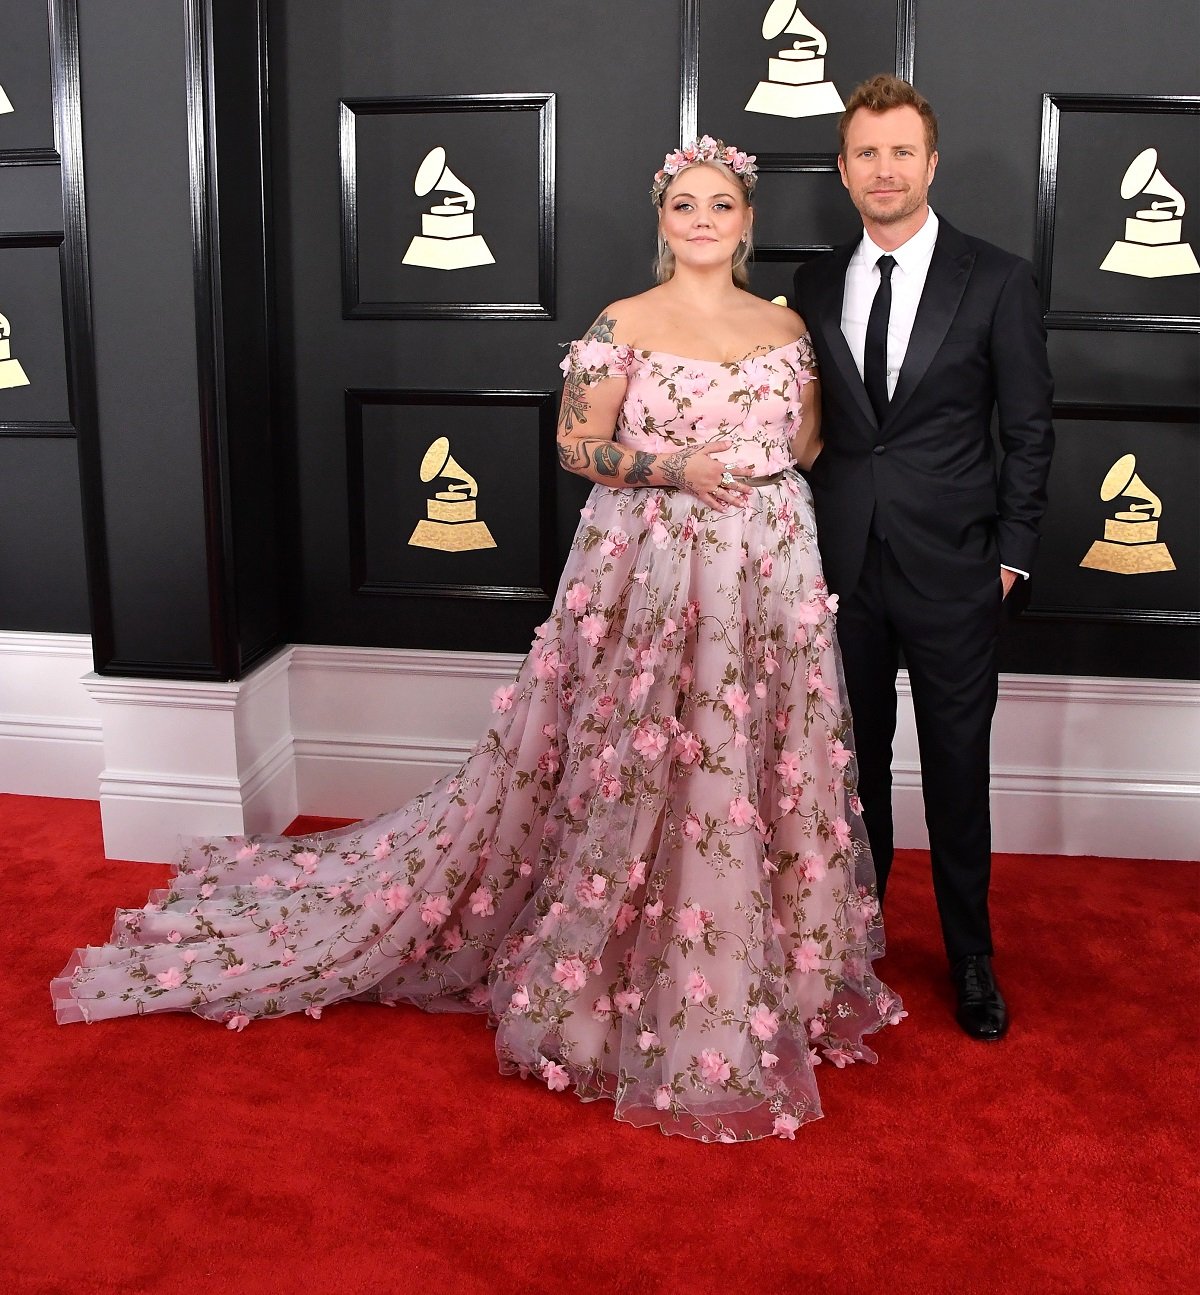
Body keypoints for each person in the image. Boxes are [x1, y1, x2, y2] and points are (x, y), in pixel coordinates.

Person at [53, 136, 904, 1143]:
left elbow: (804, 441)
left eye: (721, 204)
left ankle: (761, 971)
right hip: (652, 564)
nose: (705, 219)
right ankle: (622, 966)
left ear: (746, 219)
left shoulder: (786, 325)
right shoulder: (621, 322)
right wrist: (677, 464)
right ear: (663, 221)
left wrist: (757, 473)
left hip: (770, 563)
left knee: (759, 752)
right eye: (686, 205)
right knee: (644, 751)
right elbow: (574, 445)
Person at [792, 76, 1054, 1042]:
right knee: (852, 772)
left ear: (932, 163)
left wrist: (1012, 558)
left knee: (956, 769)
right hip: (844, 565)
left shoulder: (997, 277)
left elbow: (1029, 430)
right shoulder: (816, 283)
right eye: (867, 153)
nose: (885, 169)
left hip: (958, 569)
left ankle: (971, 957)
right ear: (844, 169)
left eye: (902, 152)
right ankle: (856, 945)